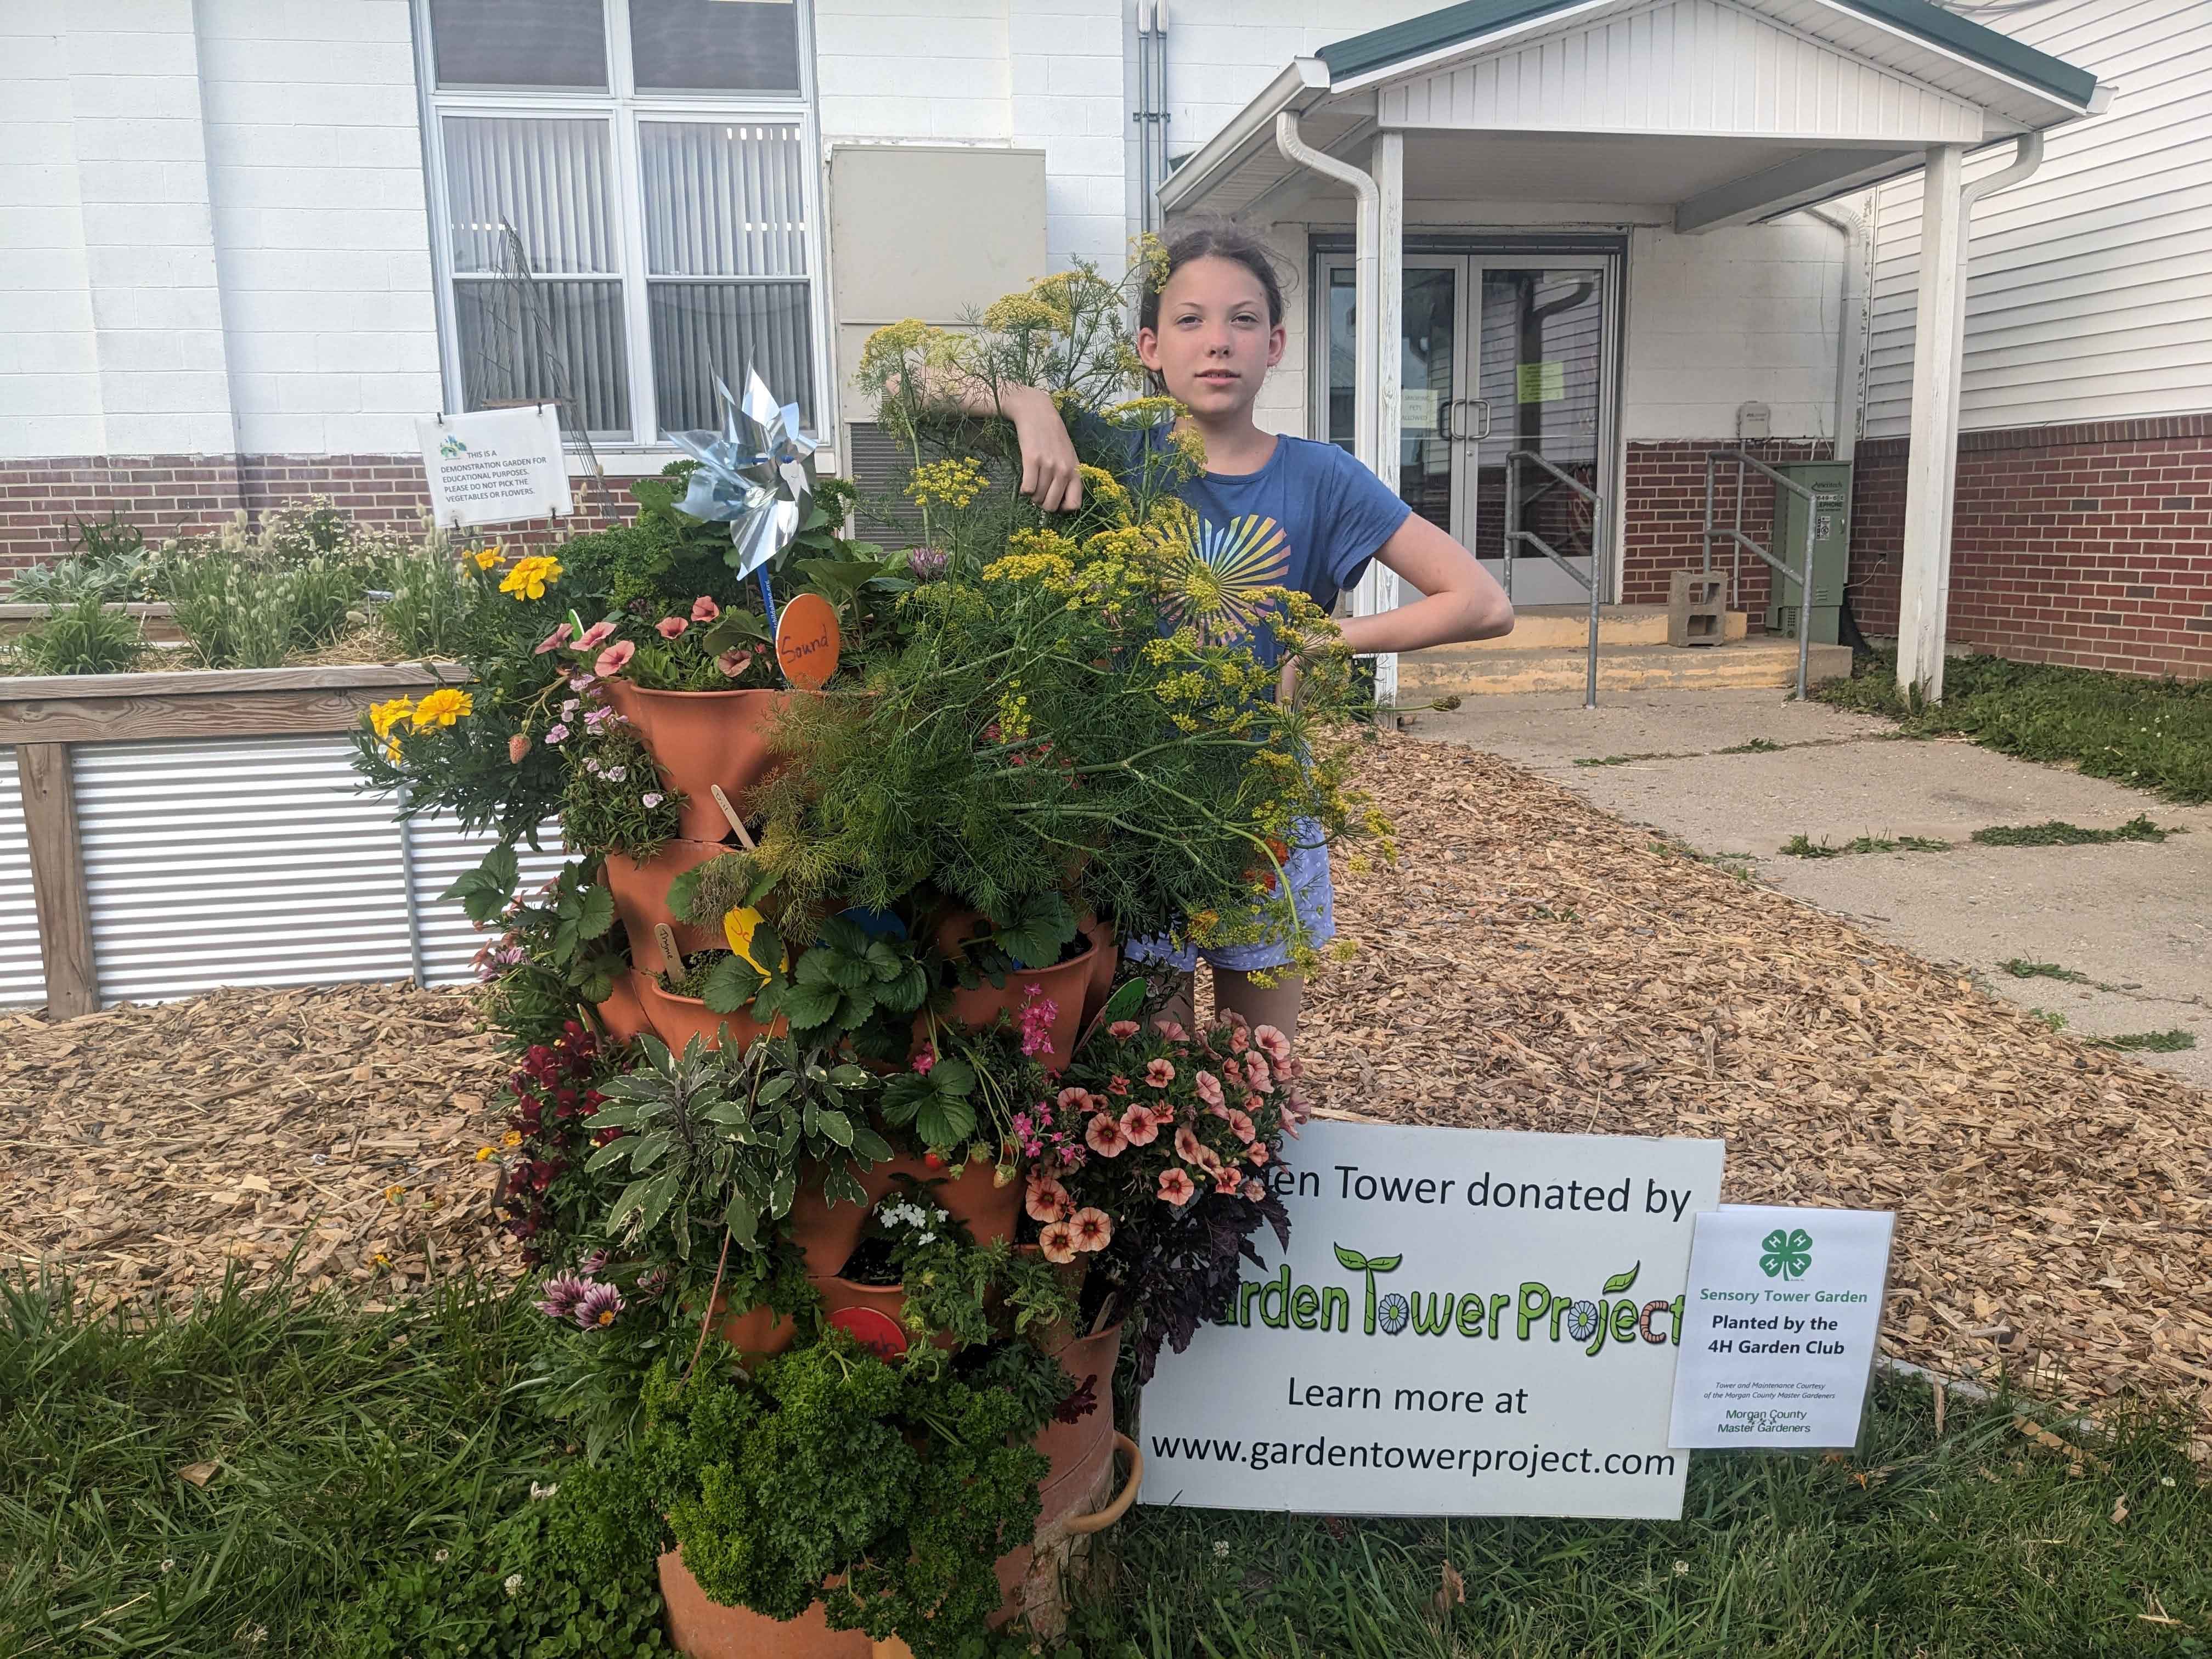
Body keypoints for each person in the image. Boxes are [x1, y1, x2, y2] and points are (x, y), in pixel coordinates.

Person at [948, 223, 1515, 1046]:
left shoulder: (1322, 478)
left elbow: (1482, 601)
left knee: (1260, 1070)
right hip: (1134, 804)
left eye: (1243, 321)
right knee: (1149, 1068)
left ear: (1277, 343)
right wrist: (1026, 401)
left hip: (1265, 807)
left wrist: (1326, 643)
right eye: (1190, 321)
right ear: (1148, 346)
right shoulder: (1111, 452)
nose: (1218, 342)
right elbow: (914, 385)